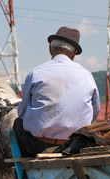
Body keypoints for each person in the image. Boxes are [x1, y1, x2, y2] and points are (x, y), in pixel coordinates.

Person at [14, 26, 100, 157]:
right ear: (74, 52)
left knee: (17, 123)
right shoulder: (86, 75)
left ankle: (23, 173)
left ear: (50, 49)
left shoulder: (35, 73)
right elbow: (95, 112)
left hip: (40, 145)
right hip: (76, 145)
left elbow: (22, 113)